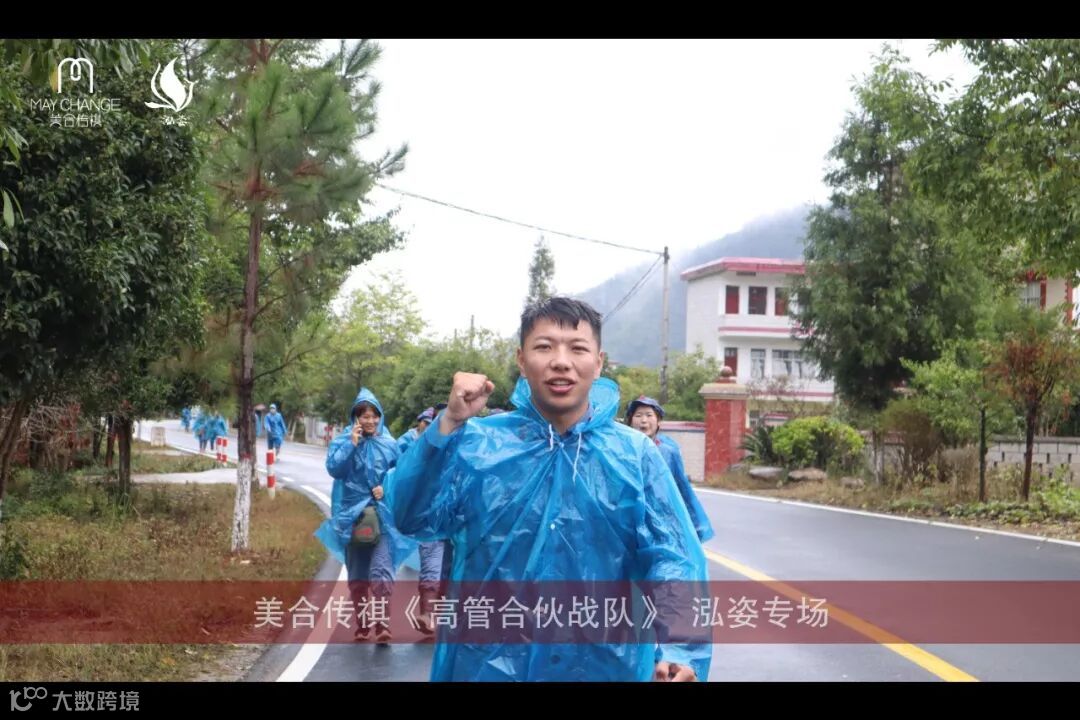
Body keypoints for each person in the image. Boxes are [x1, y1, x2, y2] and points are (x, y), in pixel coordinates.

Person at [387, 297, 710, 682]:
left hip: (605, 666)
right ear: (522, 360)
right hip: (485, 665)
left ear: (599, 363)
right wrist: (448, 424)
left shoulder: (634, 455)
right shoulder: (478, 445)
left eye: (577, 348)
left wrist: (679, 648)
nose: (561, 361)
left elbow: (674, 558)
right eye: (544, 347)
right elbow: (412, 516)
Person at [315, 388, 416, 644]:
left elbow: (402, 477)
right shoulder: (344, 441)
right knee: (358, 576)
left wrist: (387, 487)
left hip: (383, 517)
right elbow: (334, 469)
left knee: (382, 571)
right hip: (354, 517)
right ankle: (362, 623)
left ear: (380, 416)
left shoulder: (391, 445)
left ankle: (382, 625)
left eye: (374, 415)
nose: (370, 421)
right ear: (356, 418)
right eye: (364, 416)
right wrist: (352, 444)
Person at [626, 396, 715, 543]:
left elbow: (681, 489)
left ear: (658, 421)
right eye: (638, 415)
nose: (644, 420)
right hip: (630, 519)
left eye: (649, 415)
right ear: (630, 421)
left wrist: (695, 524)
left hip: (662, 519)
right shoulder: (621, 450)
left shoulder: (668, 452)